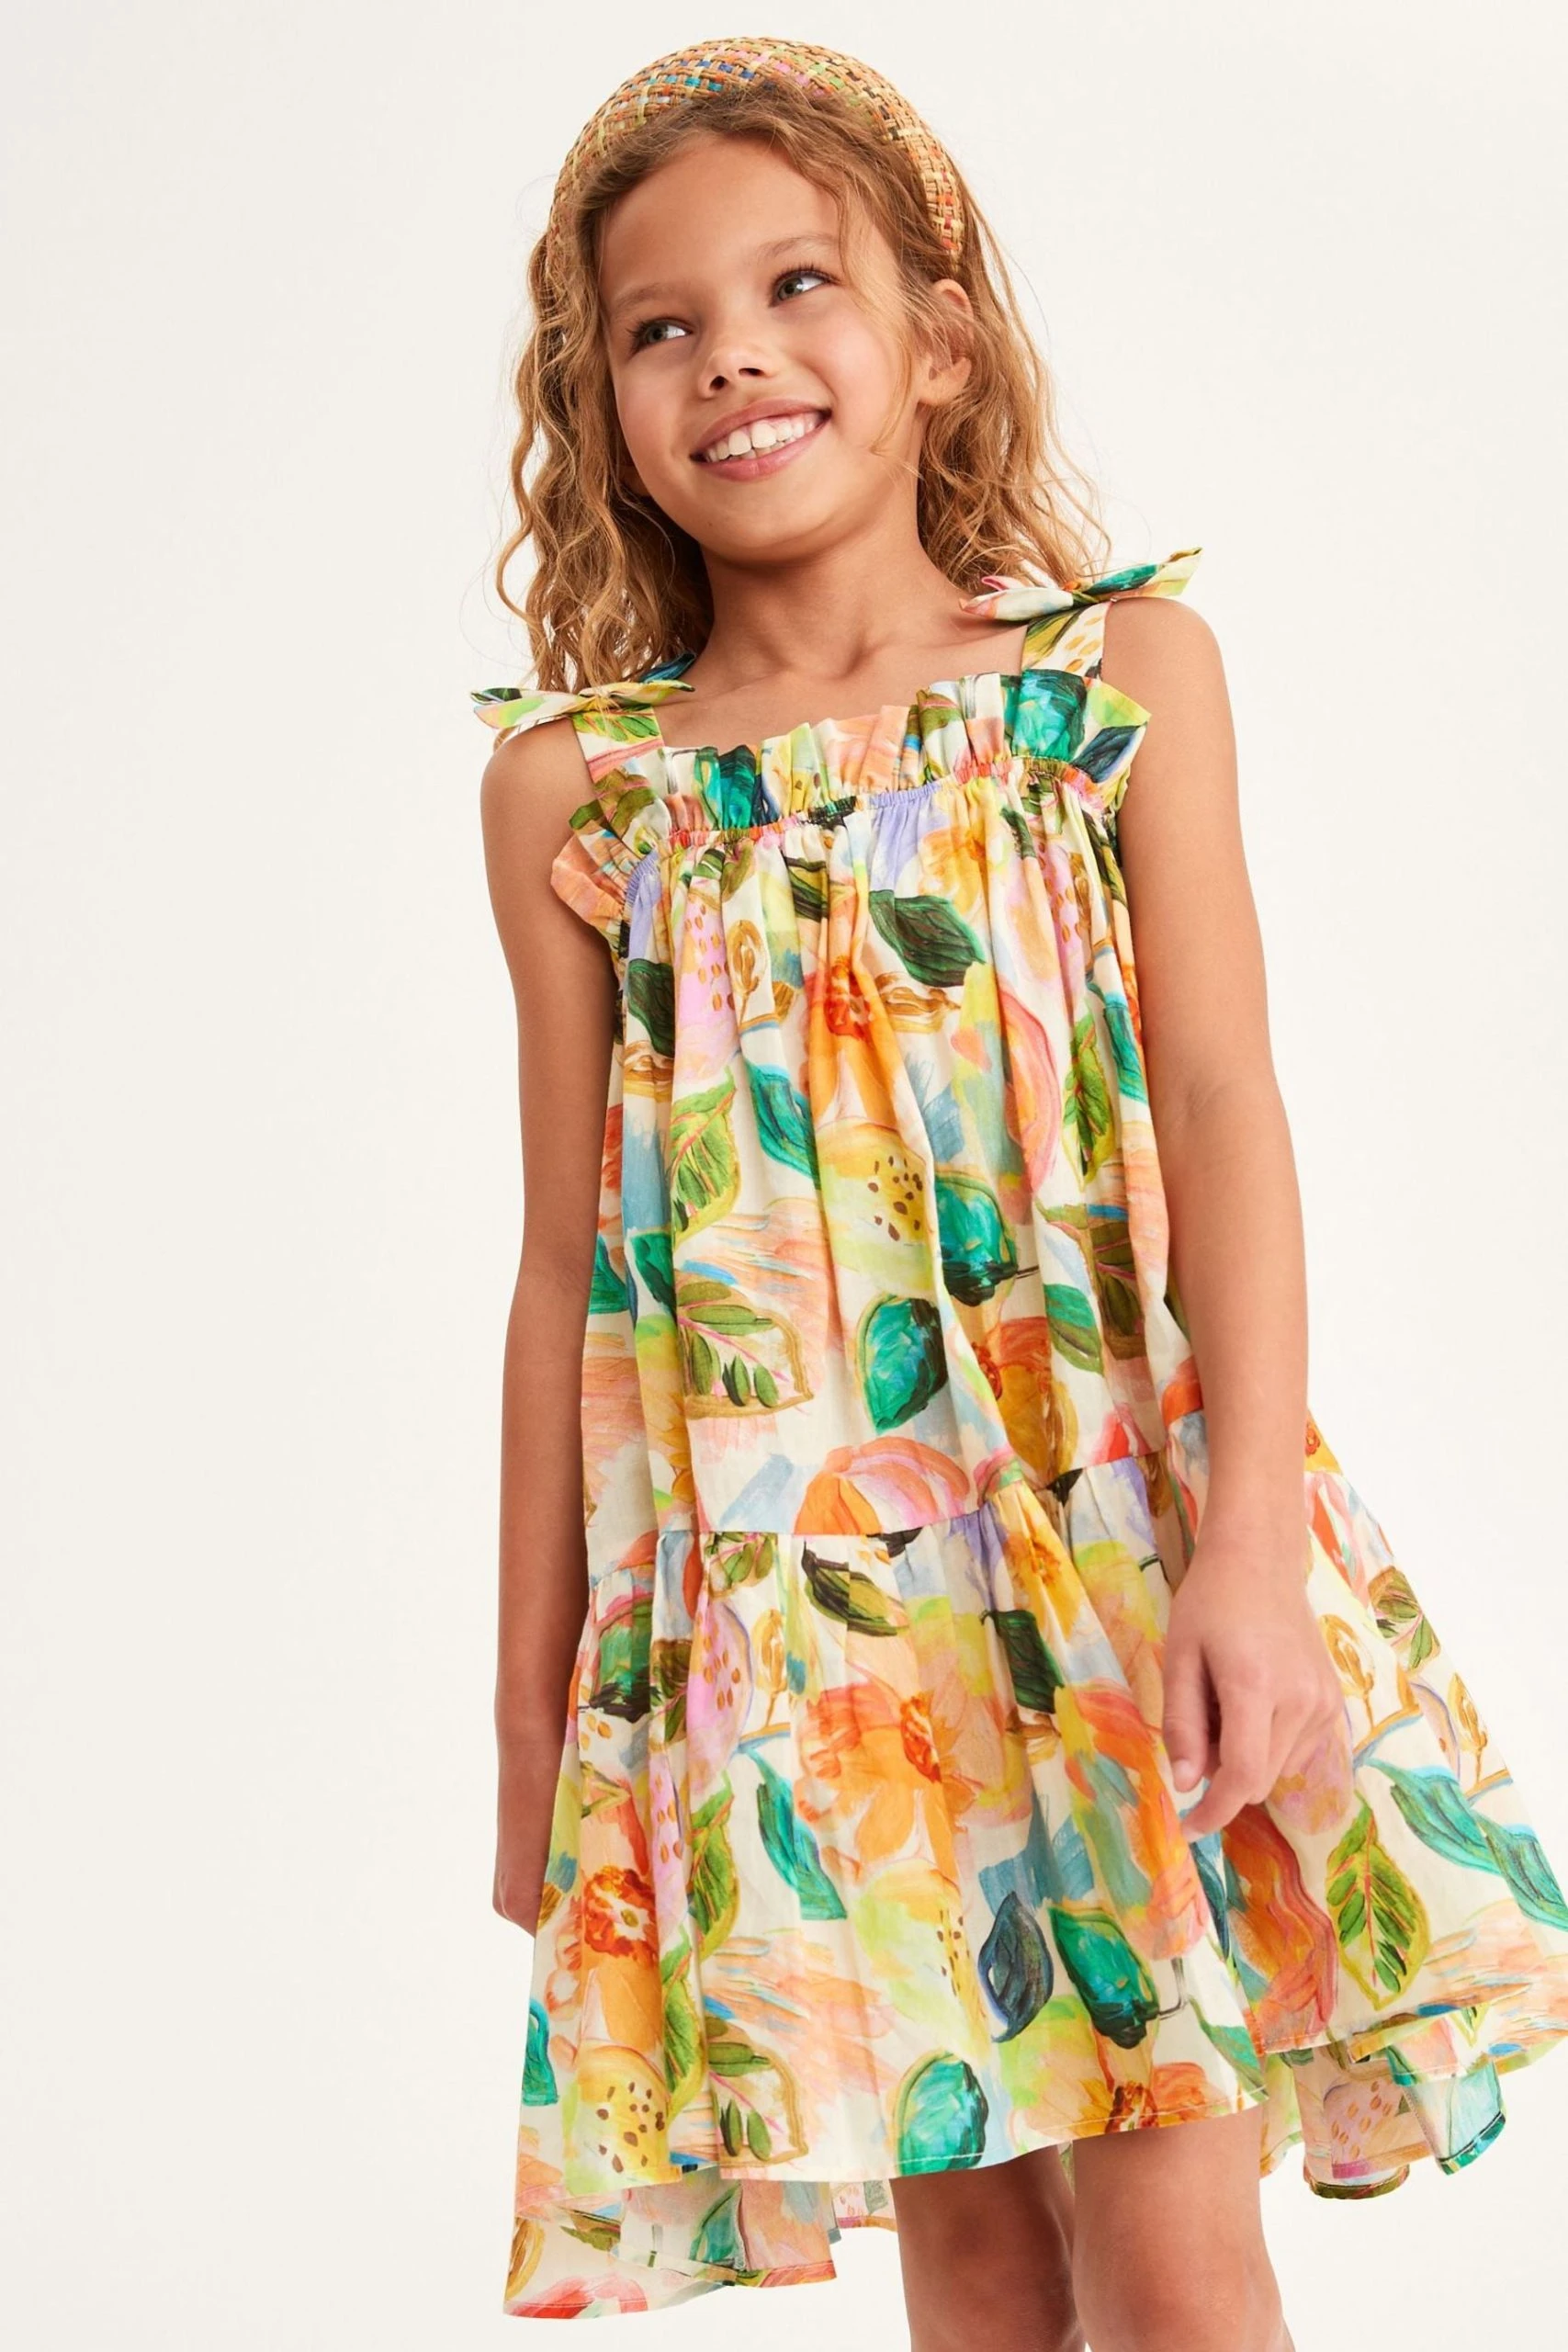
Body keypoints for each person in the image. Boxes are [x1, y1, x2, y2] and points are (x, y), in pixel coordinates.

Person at [470, 36, 1568, 2343]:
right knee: (975, 2265)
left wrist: (1246, 1545)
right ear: (604, 405)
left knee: (1173, 2254)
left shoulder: (1111, 684)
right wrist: (532, 1725)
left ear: (939, 339)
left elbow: (1225, 1099)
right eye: (661, 325)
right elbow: (566, 1265)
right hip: (803, 1607)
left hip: (1112, 1540)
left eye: (798, 285)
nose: (734, 354)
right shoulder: (589, 794)